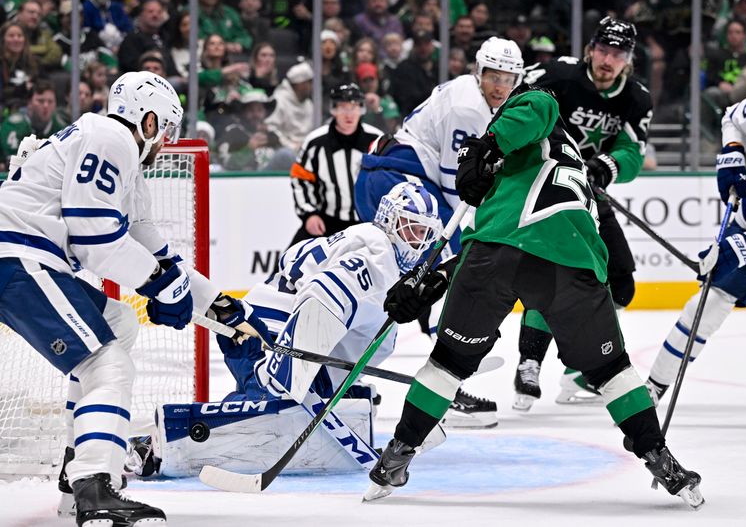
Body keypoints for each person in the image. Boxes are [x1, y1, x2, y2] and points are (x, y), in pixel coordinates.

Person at [363, 84, 704, 510]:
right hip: (570, 267)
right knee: (613, 370)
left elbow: (539, 103)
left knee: (447, 363)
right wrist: (438, 278)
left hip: (496, 257)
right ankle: (659, 457)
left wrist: (484, 145)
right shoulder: (557, 168)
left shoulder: (539, 117)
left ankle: (397, 454)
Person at [0, 71, 219, 526]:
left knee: (119, 322)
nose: (166, 142)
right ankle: (94, 485)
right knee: (108, 365)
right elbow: (95, 241)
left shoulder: (117, 152)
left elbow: (150, 244)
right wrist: (159, 283)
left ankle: (75, 470)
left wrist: (221, 305)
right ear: (150, 118)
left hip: (22, 256)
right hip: (19, 258)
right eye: (167, 130)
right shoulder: (110, 137)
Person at [123, 181, 443, 479]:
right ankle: (154, 445)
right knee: (270, 413)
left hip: (264, 328)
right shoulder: (377, 256)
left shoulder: (372, 245)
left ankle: (251, 399)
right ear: (390, 219)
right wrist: (287, 371)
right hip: (266, 337)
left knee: (262, 406)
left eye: (425, 233)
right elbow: (322, 295)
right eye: (412, 229)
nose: (419, 241)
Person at [354, 36, 524, 428]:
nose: (500, 85)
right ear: (478, 72)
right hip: (399, 183)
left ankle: (368, 370)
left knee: (401, 282)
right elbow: (457, 187)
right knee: (454, 264)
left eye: (508, 77)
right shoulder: (468, 107)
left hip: (390, 180)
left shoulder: (476, 99)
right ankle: (448, 366)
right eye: (493, 75)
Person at [515, 16, 652, 410]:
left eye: (618, 53)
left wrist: (604, 166)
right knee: (550, 274)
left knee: (620, 282)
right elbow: (517, 106)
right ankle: (529, 362)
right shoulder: (557, 74)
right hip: (543, 189)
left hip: (589, 192)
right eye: (604, 50)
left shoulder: (637, 98)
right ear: (591, 49)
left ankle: (577, 368)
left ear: (628, 59)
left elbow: (632, 153)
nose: (609, 60)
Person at [645, 85, 746, 404]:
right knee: (709, 302)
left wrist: (733, 250)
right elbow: (734, 116)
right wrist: (732, 154)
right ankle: (655, 385)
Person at [289, 83, 383, 245]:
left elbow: (390, 179)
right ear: (333, 109)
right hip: (326, 222)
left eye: (354, 107)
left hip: (369, 224)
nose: (349, 114)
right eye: (342, 107)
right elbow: (301, 179)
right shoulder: (316, 142)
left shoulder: (376, 140)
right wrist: (309, 215)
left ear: (361, 109)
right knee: (289, 265)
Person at [0, 79, 65, 172]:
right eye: (40, 101)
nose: (46, 105)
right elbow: (13, 165)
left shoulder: (61, 128)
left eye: (50, 101)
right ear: (29, 103)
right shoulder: (13, 125)